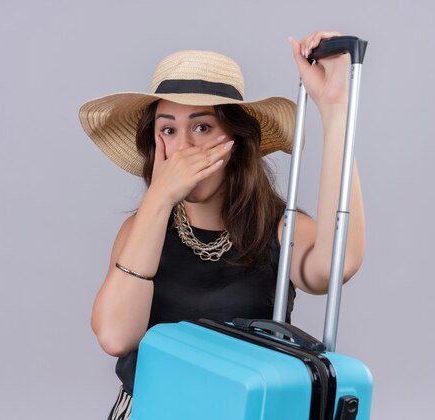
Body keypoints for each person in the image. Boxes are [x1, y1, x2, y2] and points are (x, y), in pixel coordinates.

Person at [79, 31, 366, 420]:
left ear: (236, 140)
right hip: (153, 408)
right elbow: (115, 336)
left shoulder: (279, 227)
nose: (183, 149)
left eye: (202, 128)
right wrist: (159, 198)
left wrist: (334, 110)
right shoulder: (142, 228)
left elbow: (337, 264)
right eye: (168, 130)